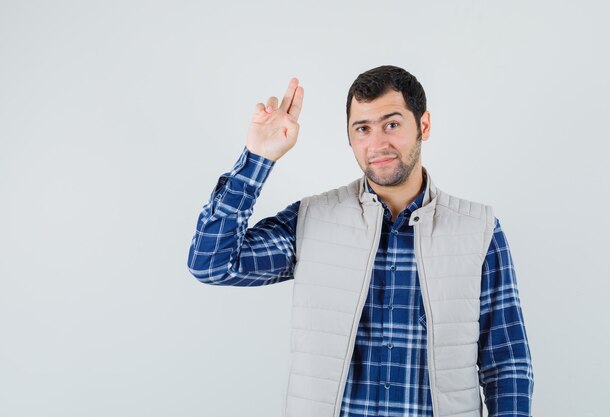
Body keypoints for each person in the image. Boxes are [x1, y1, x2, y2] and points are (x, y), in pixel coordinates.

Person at [187, 65, 533, 417]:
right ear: (350, 138)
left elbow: (507, 364)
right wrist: (257, 159)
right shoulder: (311, 220)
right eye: (362, 129)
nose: (377, 143)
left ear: (423, 126)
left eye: (392, 124)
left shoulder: (478, 230)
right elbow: (213, 263)